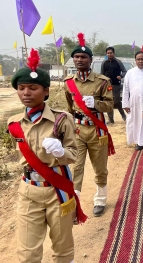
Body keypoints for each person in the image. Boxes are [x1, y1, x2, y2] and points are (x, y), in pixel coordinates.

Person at [8, 48, 86, 262]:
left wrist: (60, 152)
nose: (26, 93)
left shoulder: (62, 120)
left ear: (46, 91)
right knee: (27, 253)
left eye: (33, 88)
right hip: (29, 190)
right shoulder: (13, 123)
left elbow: (73, 154)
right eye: (21, 88)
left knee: (62, 247)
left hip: (57, 188)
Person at [64, 33, 114, 217]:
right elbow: (69, 108)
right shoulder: (68, 83)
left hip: (96, 130)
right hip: (77, 130)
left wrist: (95, 104)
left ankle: (100, 199)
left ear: (90, 60)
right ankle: (74, 200)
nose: (79, 60)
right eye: (76, 57)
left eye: (83, 57)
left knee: (99, 167)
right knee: (76, 166)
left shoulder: (102, 82)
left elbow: (110, 105)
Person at [122, 51, 143, 154]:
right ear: (135, 60)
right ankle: (139, 142)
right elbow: (126, 89)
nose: (140, 61)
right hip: (134, 102)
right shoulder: (130, 72)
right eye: (138, 59)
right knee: (135, 122)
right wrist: (125, 104)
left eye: (142, 59)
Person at [101, 46, 127, 123]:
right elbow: (102, 74)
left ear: (114, 53)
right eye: (108, 53)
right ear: (106, 54)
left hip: (116, 84)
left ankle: (123, 116)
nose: (109, 54)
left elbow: (124, 71)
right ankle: (111, 119)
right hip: (107, 85)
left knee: (116, 101)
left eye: (111, 53)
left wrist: (121, 76)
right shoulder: (104, 63)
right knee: (109, 101)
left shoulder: (118, 62)